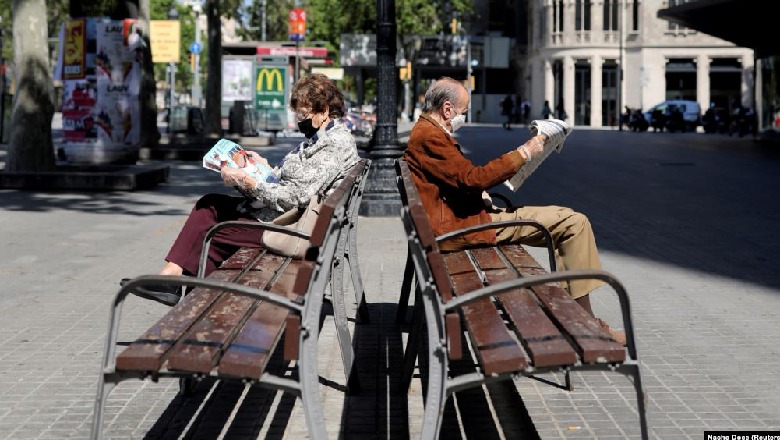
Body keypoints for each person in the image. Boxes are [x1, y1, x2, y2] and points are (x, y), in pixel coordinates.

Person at [402, 77, 626, 345]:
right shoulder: (430, 136)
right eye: (462, 112)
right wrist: (524, 152)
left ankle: (580, 319)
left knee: (566, 219)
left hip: (462, 218)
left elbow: (459, 179)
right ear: (447, 109)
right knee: (573, 222)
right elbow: (473, 178)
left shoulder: (425, 132)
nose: (460, 118)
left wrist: (476, 191)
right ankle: (586, 325)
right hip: (464, 227)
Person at [121, 73, 359, 306]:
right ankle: (173, 279)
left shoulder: (334, 144)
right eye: (297, 114)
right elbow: (297, 183)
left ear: (325, 110)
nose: (299, 121)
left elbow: (295, 197)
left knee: (213, 234)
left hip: (291, 228)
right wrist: (264, 169)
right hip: (283, 217)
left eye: (304, 114)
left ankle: (195, 306)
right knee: (209, 205)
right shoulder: (322, 137)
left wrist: (250, 182)